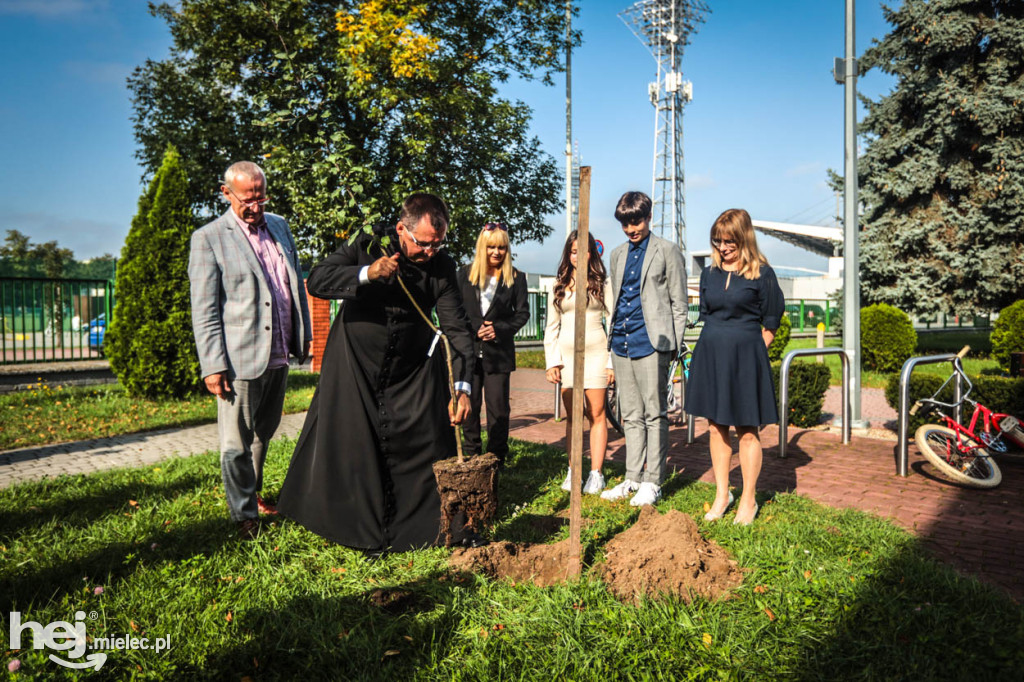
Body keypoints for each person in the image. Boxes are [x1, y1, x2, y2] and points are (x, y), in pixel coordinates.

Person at [277, 192, 483, 553]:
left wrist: (462, 387)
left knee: (426, 439)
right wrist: (367, 273)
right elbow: (318, 281)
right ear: (402, 229)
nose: (431, 251)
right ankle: (361, 532)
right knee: (358, 445)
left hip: (411, 368)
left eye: (439, 243)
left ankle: (428, 526)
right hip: (355, 362)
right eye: (424, 244)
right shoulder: (368, 242)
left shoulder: (441, 265)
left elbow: (457, 328)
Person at [188, 161, 311, 539]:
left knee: (265, 431)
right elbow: (205, 308)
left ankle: (253, 493)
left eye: (261, 196)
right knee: (235, 441)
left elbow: (292, 281)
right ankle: (243, 515)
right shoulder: (209, 238)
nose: (256, 206)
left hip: (279, 351)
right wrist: (213, 364)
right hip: (239, 356)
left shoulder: (280, 226)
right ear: (226, 194)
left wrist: (302, 336)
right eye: (248, 199)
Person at [685, 208, 785, 526]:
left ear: (744, 238)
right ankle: (722, 494)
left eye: (729, 241)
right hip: (711, 355)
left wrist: (753, 352)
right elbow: (706, 312)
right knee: (715, 426)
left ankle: (748, 499)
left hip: (746, 359)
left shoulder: (763, 274)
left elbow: (771, 320)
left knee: (747, 430)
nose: (723, 247)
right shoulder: (709, 274)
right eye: (718, 240)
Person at [601, 191, 688, 506]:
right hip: (621, 342)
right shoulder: (616, 254)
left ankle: (654, 482)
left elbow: (680, 303)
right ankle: (632, 478)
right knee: (631, 414)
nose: (630, 229)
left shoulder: (667, 251)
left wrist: (675, 346)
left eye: (635, 222)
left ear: (649, 217)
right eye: (625, 224)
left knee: (655, 413)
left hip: (653, 343)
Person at [543, 230, 615, 495]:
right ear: (568, 254)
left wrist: (611, 363)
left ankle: (596, 474)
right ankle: (574, 470)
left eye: (583, 250)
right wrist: (553, 362)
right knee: (574, 417)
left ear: (591, 253)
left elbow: (614, 322)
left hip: (596, 354)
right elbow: (551, 327)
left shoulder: (602, 284)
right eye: (573, 251)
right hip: (567, 359)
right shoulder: (558, 284)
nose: (578, 255)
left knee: (596, 414)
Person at [456, 222, 530, 467]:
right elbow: (454, 311)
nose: (496, 252)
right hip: (468, 353)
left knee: (498, 410)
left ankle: (496, 459)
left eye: (501, 247)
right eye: (491, 247)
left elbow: (522, 314)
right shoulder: (463, 274)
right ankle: (472, 456)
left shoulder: (516, 278)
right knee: (471, 407)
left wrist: (498, 329)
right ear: (482, 247)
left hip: (498, 354)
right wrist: (472, 327)